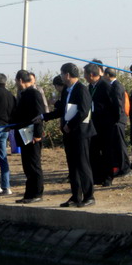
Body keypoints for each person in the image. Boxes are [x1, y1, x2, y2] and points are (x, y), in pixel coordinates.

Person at [40, 63, 96, 207]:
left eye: (62, 74)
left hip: (81, 133)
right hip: (69, 134)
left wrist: (70, 125)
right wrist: (44, 117)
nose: (61, 77)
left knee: (83, 165)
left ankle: (89, 196)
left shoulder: (81, 89)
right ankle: (76, 196)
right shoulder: (66, 90)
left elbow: (83, 111)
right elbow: (62, 110)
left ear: (67, 75)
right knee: (72, 166)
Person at [10, 70, 45, 204]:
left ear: (20, 80)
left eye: (16, 81)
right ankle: (29, 194)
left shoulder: (34, 94)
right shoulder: (23, 94)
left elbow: (39, 115)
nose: (16, 84)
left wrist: (37, 134)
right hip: (24, 135)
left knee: (34, 165)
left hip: (32, 135)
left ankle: (37, 193)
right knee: (27, 166)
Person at [83, 63, 113, 186]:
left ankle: (108, 177)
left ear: (91, 74)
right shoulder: (89, 87)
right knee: (93, 151)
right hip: (92, 123)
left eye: (85, 74)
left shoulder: (105, 85)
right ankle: (97, 176)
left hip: (105, 124)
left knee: (106, 151)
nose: (84, 77)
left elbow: (114, 105)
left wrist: (112, 122)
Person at [104, 67, 132, 179]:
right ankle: (120, 167)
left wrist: (116, 119)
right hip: (117, 120)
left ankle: (126, 169)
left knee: (121, 145)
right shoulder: (114, 85)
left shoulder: (116, 86)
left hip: (118, 120)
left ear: (107, 75)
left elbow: (118, 104)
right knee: (116, 145)